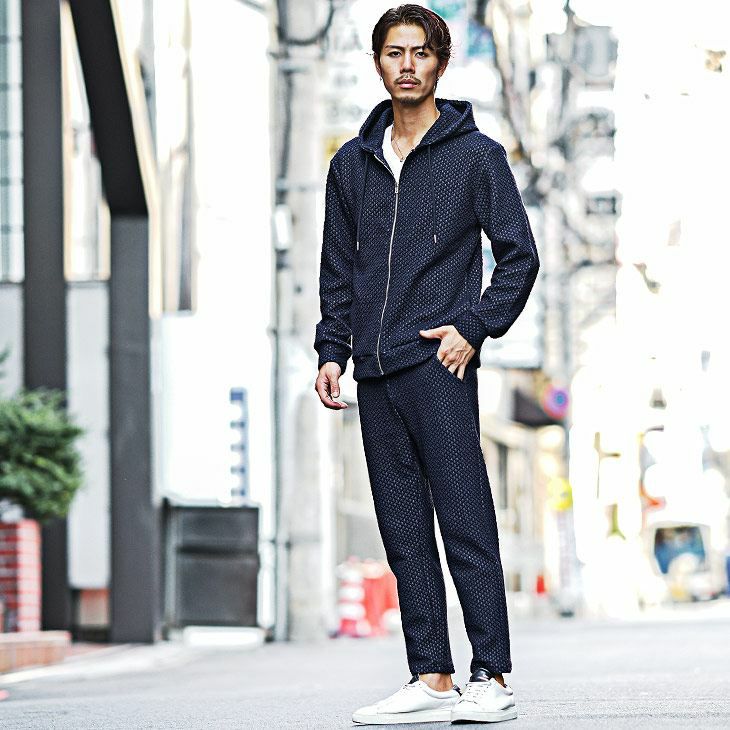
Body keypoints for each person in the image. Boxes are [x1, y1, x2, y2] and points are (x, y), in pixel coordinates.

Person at [313, 4, 539, 725]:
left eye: (419, 52)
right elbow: (338, 268)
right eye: (393, 52)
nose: (406, 65)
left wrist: (474, 327)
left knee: (465, 521)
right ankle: (432, 675)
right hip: (374, 371)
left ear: (440, 63)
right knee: (404, 530)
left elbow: (519, 256)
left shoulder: (477, 157)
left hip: (439, 365)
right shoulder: (352, 163)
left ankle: (491, 675)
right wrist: (332, 349)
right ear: (377, 63)